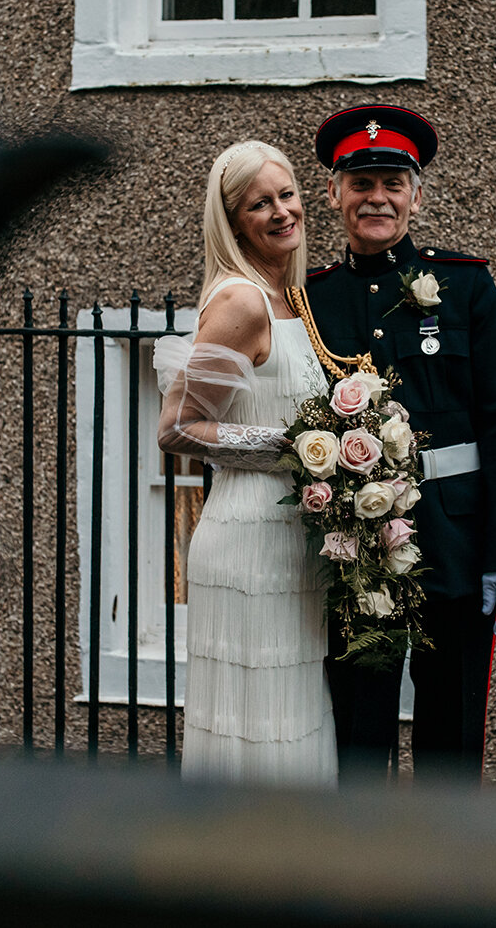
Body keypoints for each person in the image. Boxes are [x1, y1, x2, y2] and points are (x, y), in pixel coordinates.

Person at [296, 104, 496, 782]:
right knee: (358, 733)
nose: (377, 197)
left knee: (452, 736)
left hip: (455, 545)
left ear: (416, 194)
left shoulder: (465, 286)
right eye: (362, 181)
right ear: (334, 192)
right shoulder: (311, 299)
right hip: (355, 553)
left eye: (392, 183)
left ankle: (446, 875)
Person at [155, 141, 337, 787]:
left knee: (292, 716)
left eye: (287, 194)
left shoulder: (290, 297)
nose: (283, 211)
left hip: (294, 539)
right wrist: (297, 446)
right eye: (261, 203)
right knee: (256, 725)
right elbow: (176, 428)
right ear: (234, 223)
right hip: (248, 541)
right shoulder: (241, 301)